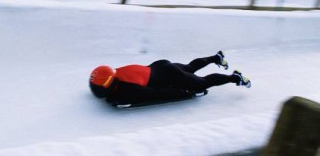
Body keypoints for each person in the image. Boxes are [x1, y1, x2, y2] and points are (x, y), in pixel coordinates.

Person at [89, 51, 251, 105]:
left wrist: (184, 94)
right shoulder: (116, 72)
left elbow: (155, 94)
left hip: (168, 75)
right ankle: (216, 58)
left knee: (201, 84)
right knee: (189, 68)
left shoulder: (126, 89)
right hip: (160, 66)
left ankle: (234, 77)